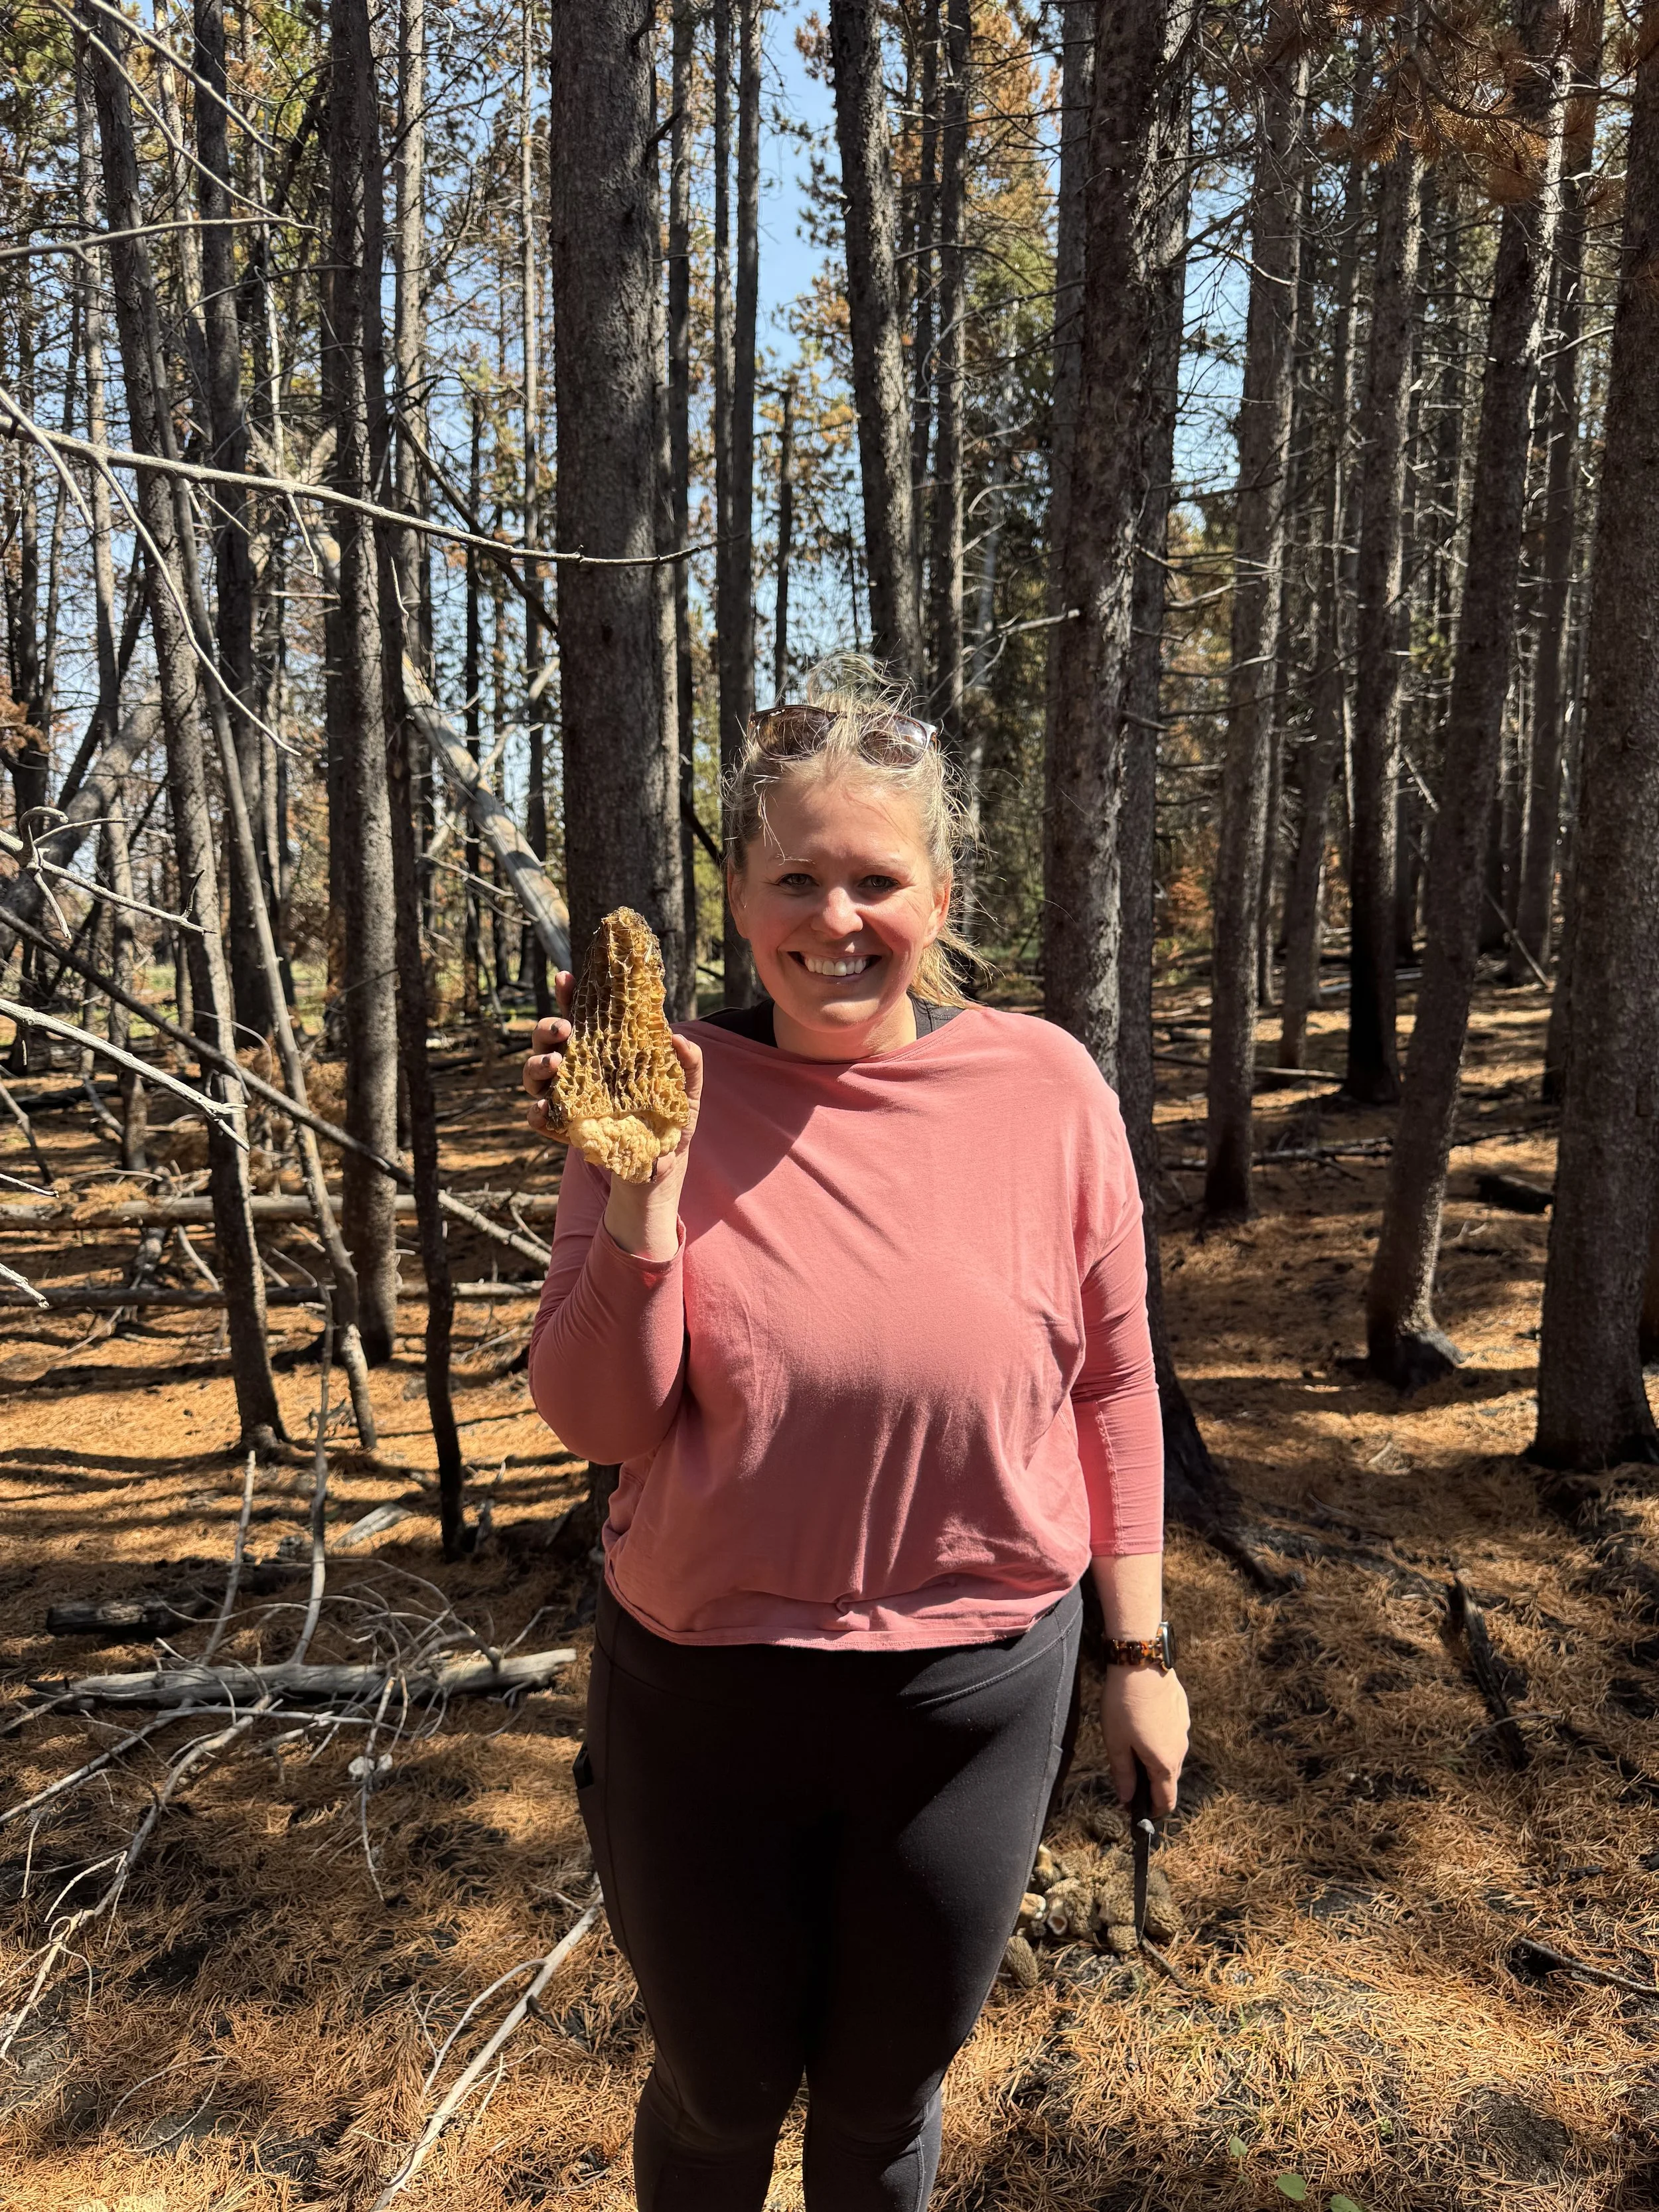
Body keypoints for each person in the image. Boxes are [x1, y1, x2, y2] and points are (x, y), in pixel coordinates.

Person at [521, 661, 1189, 2212]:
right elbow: (599, 1420)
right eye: (796, 877)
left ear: (939, 892)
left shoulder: (1042, 1089)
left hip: (970, 1695)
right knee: (718, 2088)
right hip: (703, 1694)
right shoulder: (656, 1092)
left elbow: (1109, 1381)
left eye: (876, 879)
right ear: (740, 895)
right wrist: (638, 1200)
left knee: (885, 2102)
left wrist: (1135, 1657)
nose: (837, 919)